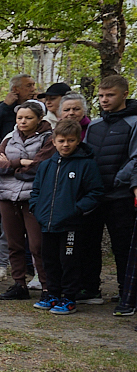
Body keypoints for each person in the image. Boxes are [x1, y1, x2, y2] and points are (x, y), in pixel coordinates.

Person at [30, 119, 104, 315]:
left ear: (78, 140)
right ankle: (53, 294)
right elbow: (36, 190)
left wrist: (76, 209)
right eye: (61, 140)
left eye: (70, 140)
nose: (65, 145)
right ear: (53, 141)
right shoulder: (46, 165)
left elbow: (95, 192)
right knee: (50, 259)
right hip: (47, 223)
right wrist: (37, 209)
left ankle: (69, 298)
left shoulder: (86, 164)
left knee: (68, 261)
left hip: (72, 225)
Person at [81, 75, 137, 307]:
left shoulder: (134, 123)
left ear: (124, 94)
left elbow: (135, 158)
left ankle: (128, 294)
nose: (104, 100)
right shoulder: (94, 125)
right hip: (95, 196)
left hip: (120, 196)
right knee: (89, 244)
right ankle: (91, 289)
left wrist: (117, 180)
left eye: (110, 95)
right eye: (101, 96)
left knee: (122, 247)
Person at [0, 100, 54, 301]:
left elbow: (39, 168)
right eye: (20, 118)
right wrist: (20, 163)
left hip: (33, 198)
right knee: (14, 244)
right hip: (7, 196)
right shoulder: (9, 138)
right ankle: (19, 284)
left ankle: (47, 287)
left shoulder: (49, 138)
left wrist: (10, 166)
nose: (23, 121)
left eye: (28, 118)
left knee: (37, 245)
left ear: (39, 119)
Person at [0, 74, 38, 138]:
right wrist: (5, 106)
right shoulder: (0, 107)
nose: (33, 89)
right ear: (15, 89)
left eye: (33, 85)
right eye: (28, 86)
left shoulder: (38, 106)